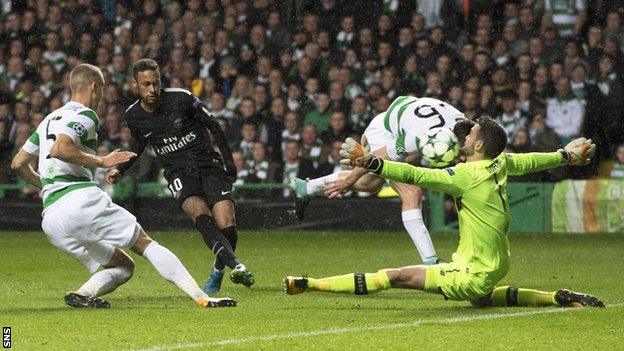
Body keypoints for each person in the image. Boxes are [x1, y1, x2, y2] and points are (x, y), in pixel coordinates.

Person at [284, 116, 603, 309]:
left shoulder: (465, 176)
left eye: (471, 135)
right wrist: (566, 155)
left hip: (474, 270)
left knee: (395, 276)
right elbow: (532, 160)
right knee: (483, 301)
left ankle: (309, 283)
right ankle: (556, 298)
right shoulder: (501, 162)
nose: (464, 137)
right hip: (493, 261)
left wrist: (370, 161)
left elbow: (417, 175)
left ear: (479, 146)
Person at [10, 64, 235, 308]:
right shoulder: (86, 115)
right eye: (103, 89)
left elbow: (18, 164)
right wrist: (102, 161)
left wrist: (44, 185)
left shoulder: (48, 120)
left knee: (123, 267)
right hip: (81, 201)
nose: (102, 96)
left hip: (52, 218)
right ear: (95, 87)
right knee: (145, 244)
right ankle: (202, 297)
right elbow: (60, 149)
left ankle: (82, 295)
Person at [106, 59, 254, 294]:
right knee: (200, 215)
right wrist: (120, 169)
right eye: (146, 85)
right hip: (178, 172)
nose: (152, 90)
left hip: (207, 164)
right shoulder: (133, 115)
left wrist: (230, 165)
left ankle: (218, 271)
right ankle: (237, 265)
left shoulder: (182, 98)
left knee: (227, 226)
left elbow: (214, 126)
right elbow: (139, 144)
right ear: (134, 84)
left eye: (156, 83)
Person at [289, 95, 473, 265]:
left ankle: (306, 187)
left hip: (405, 118)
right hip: (384, 133)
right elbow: (376, 158)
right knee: (412, 192)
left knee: (369, 184)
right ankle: (431, 262)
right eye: (461, 154)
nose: (463, 158)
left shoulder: (467, 127)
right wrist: (349, 180)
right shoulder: (418, 138)